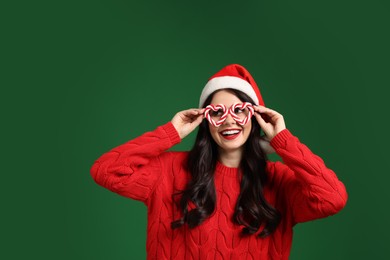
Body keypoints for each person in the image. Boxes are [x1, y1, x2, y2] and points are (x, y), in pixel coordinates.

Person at [90, 64, 348, 260]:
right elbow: (106, 171)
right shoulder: (168, 171)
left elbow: (333, 198)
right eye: (217, 113)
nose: (229, 121)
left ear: (256, 117)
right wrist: (171, 133)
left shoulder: (278, 181)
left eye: (239, 110)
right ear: (205, 121)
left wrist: (283, 139)